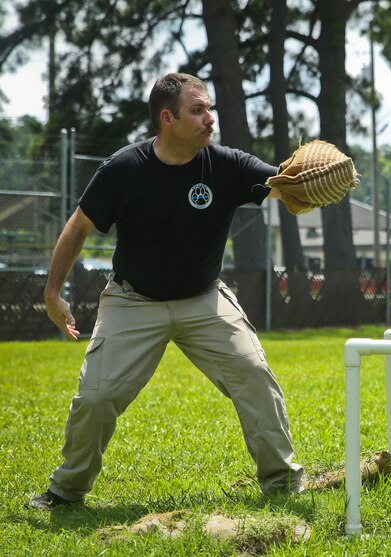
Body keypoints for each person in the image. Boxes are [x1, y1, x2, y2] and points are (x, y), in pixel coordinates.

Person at [26, 72, 304, 509]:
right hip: (133, 301)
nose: (210, 118)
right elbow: (78, 226)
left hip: (203, 299)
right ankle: (65, 492)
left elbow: (286, 181)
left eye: (210, 108)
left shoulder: (227, 164)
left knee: (253, 375)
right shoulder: (123, 169)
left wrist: (312, 178)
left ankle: (283, 484)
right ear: (167, 118)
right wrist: (52, 293)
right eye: (198, 110)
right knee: (97, 397)